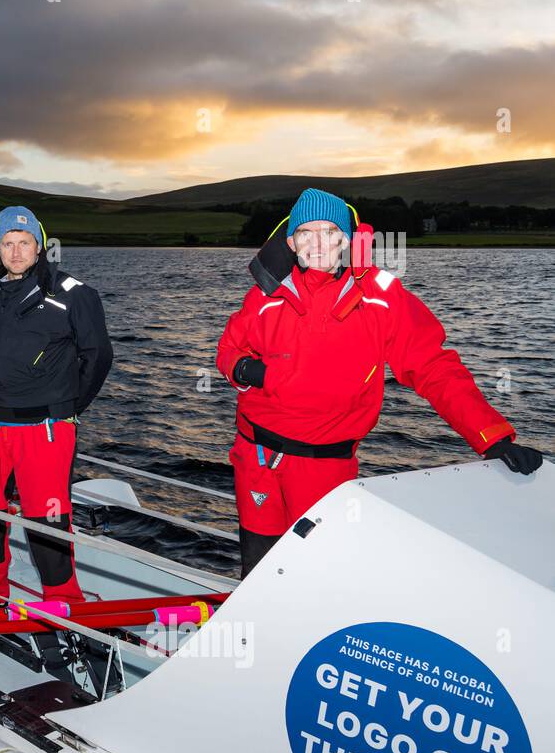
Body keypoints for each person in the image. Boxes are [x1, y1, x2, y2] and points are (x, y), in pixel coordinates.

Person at [217, 187, 543, 578]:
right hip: (255, 462)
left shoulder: (382, 299)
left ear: (347, 240)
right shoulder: (266, 295)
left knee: (320, 579)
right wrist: (250, 372)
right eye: (306, 233)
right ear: (291, 242)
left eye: (328, 232)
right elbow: (229, 349)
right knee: (257, 575)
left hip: (325, 470)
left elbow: (434, 367)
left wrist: (492, 437)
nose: (317, 243)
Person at [0, 206, 113, 605]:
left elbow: (97, 357)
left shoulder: (74, 295)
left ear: (40, 246)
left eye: (24, 243)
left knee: (47, 519)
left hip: (46, 430)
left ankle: (63, 603)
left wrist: (66, 407)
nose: (16, 252)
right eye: (7, 244)